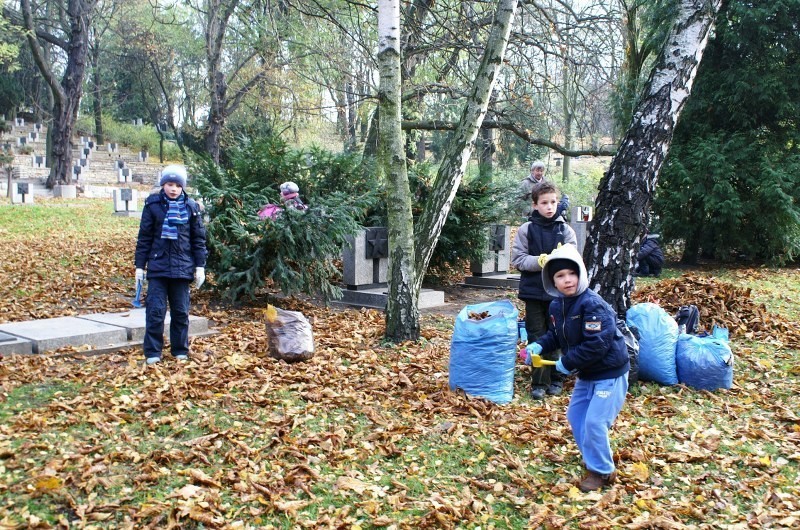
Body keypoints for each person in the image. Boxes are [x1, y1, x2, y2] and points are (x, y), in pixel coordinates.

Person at [522, 243, 629, 492]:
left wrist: (566, 363)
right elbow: (556, 336)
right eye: (560, 276)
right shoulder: (557, 306)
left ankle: (602, 472)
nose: (567, 280)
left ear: (581, 273)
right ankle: (592, 457)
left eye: (572, 273)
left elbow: (597, 344)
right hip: (587, 373)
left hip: (609, 373)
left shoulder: (592, 304)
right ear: (552, 281)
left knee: (594, 422)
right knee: (576, 416)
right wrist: (538, 346)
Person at [135, 164, 207, 365]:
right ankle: (152, 352)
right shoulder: (153, 205)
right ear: (163, 184)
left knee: (180, 312)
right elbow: (145, 238)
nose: (173, 189)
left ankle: (179, 349)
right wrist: (139, 266)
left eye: (177, 185)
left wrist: (200, 266)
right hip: (158, 267)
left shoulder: (191, 208)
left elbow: (198, 240)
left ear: (182, 186)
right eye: (169, 184)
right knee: (155, 311)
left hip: (183, 267)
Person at [511, 181, 577, 400]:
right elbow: (518, 259)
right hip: (532, 292)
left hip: (558, 295)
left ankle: (557, 377)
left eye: (553, 202)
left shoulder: (564, 230)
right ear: (535, 205)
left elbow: (573, 259)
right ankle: (539, 382)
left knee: (558, 335)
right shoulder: (526, 230)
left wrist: (560, 260)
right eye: (544, 203)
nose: (549, 207)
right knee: (536, 336)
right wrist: (539, 261)